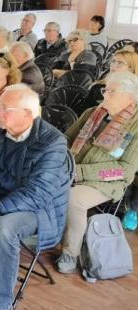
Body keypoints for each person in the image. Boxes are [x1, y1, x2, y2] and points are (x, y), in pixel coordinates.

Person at [0, 84, 72, 310]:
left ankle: (0, 307)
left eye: (4, 109)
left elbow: (36, 193)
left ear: (28, 115)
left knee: (4, 227)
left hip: (37, 210)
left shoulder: (53, 142)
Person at [57, 72, 138, 274]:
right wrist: (60, 160)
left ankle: (70, 252)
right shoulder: (94, 112)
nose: (105, 95)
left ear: (130, 98)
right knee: (44, 181)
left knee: (73, 199)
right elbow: (67, 138)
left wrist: (81, 172)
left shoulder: (135, 127)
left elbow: (124, 170)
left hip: (106, 182)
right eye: (105, 90)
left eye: (112, 92)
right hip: (73, 169)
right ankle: (41, 232)